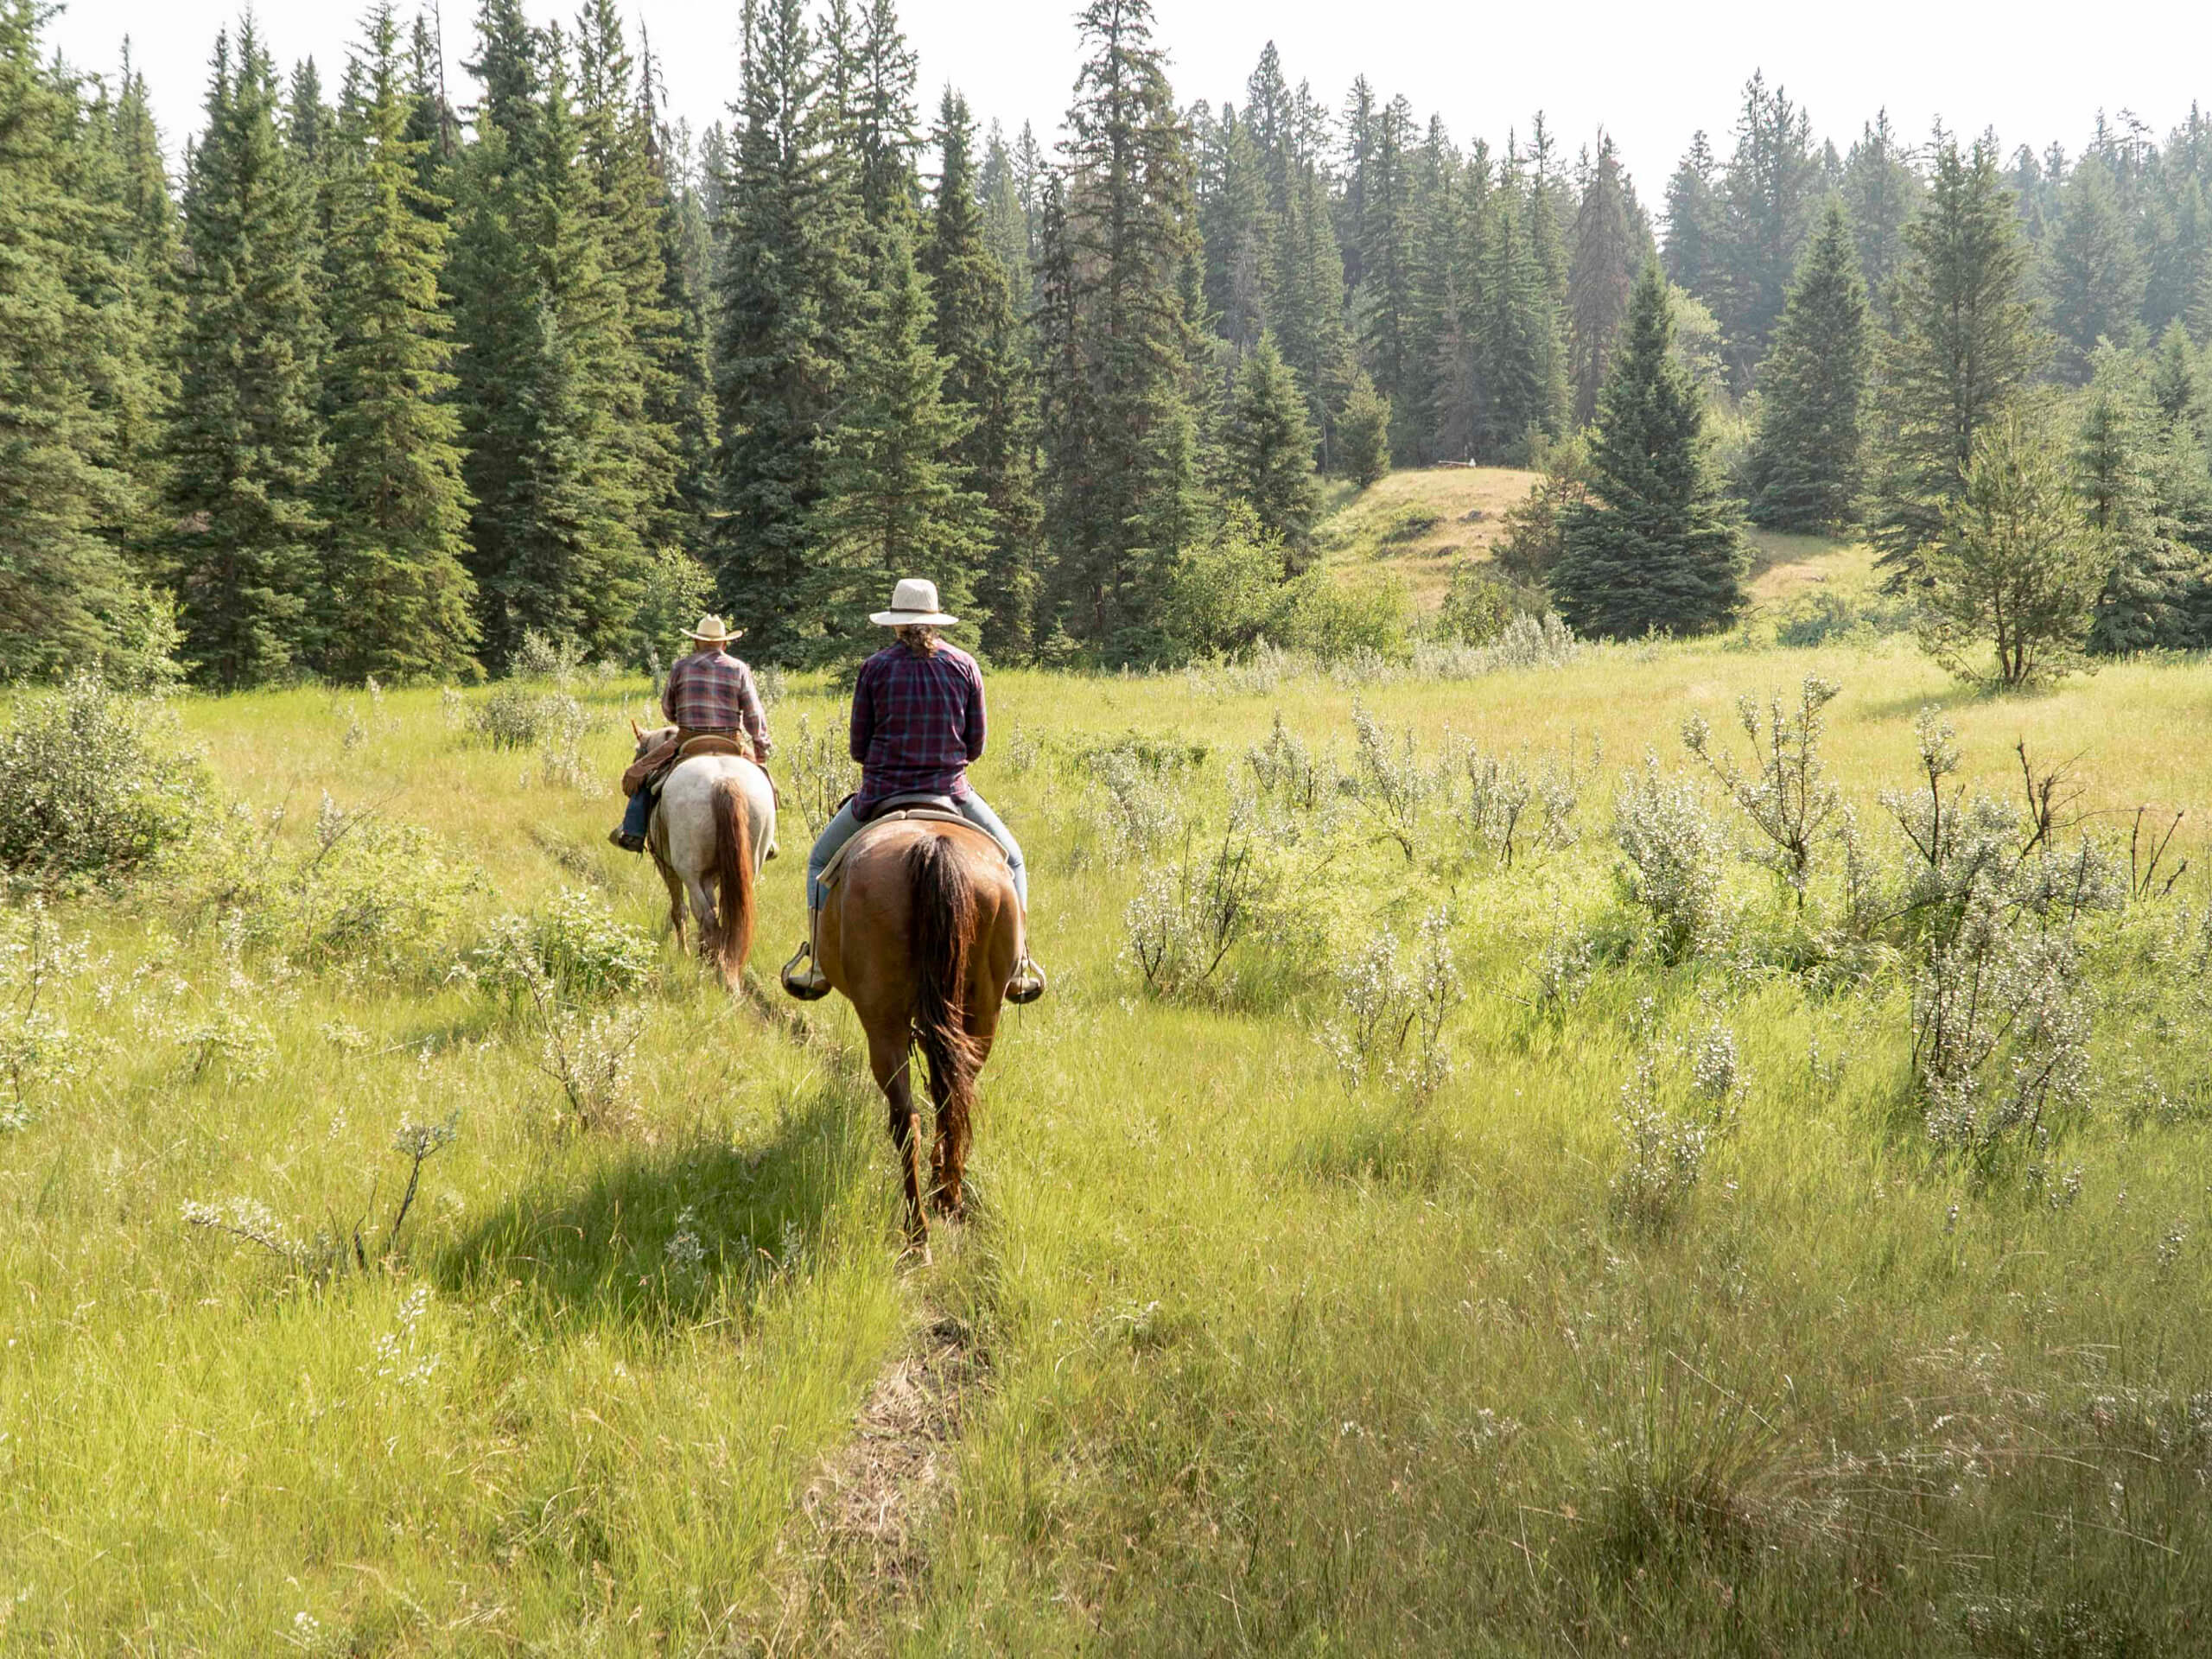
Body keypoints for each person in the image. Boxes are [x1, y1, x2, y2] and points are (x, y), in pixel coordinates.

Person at [781, 578, 1044, 1003]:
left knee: (819, 860)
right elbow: (975, 745)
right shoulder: (965, 666)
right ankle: (1017, 963)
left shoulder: (875, 668)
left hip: (882, 794)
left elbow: (857, 747)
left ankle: (814, 962)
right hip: (951, 793)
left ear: (895, 625)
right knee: (1013, 859)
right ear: (935, 622)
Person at [609, 613, 773, 853]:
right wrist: (760, 750)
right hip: (731, 742)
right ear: (724, 643)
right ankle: (767, 840)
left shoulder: (680, 667)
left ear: (696, 642)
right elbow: (753, 715)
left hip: (688, 740)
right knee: (765, 782)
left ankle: (633, 831)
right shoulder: (739, 668)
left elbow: (668, 710)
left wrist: (685, 717)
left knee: (645, 774)